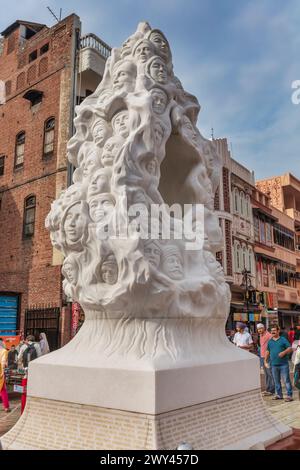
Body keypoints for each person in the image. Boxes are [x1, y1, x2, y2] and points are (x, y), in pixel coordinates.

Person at [265, 325, 293, 402]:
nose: (273, 332)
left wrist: (284, 352)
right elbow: (267, 351)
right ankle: (279, 395)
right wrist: (265, 361)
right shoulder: (270, 341)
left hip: (283, 364)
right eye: (272, 331)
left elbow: (290, 348)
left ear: (278, 331)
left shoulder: (283, 339)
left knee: (286, 380)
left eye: (274, 330)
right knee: (276, 381)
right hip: (273, 364)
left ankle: (289, 395)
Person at [257, 323, 275, 396]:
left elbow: (272, 345)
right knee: (266, 374)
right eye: (258, 329)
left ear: (264, 328)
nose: (259, 330)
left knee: (270, 373)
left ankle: (272, 390)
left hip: (268, 357)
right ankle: (268, 389)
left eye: (261, 328)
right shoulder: (261, 335)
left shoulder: (269, 335)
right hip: (262, 356)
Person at [0, 338, 10, 412]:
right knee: (2, 390)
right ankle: (6, 407)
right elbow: (3, 363)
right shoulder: (4, 351)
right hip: (0, 371)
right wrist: (3, 372)